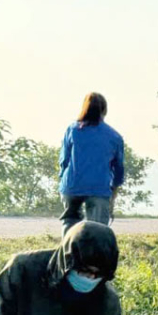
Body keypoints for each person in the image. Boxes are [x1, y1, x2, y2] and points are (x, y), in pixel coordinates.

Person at [58, 93, 126, 236]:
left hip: (71, 185)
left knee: (70, 224)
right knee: (98, 231)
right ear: (104, 110)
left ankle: (67, 255)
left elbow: (64, 160)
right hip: (99, 188)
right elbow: (119, 169)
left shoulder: (73, 130)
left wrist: (63, 180)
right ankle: (95, 257)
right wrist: (114, 188)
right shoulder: (114, 136)